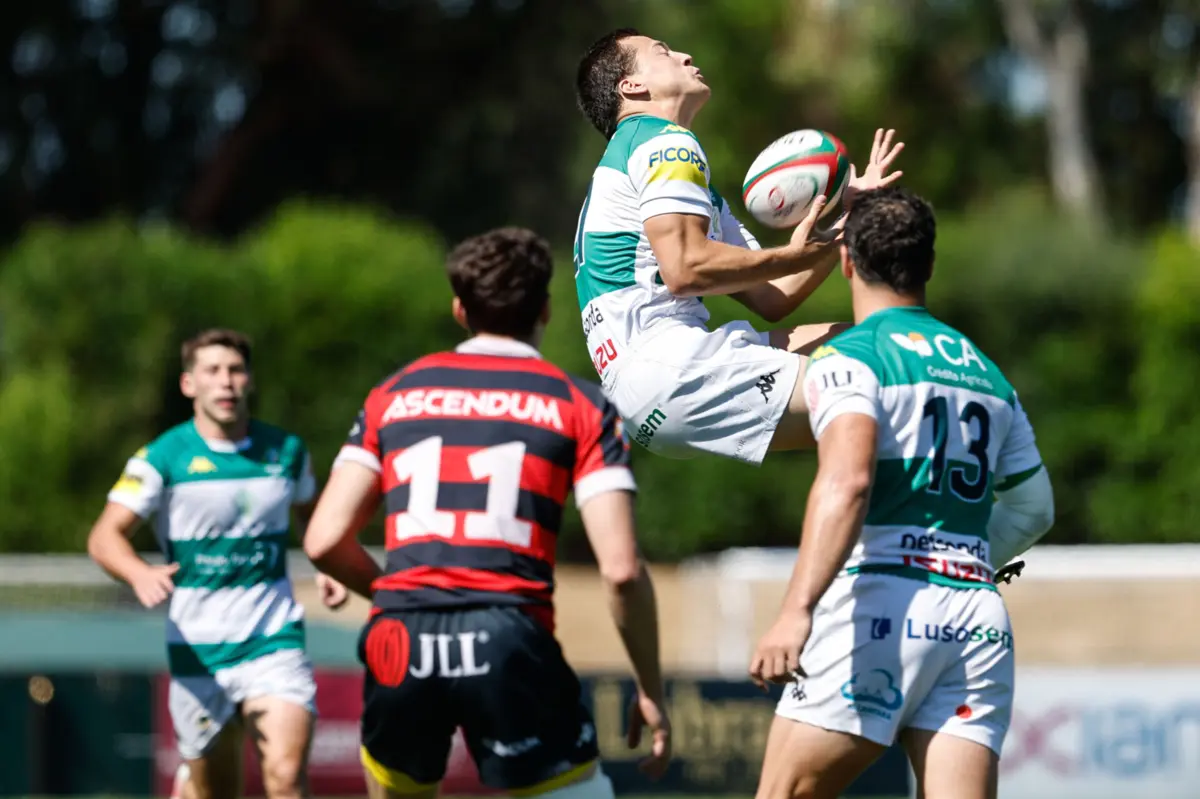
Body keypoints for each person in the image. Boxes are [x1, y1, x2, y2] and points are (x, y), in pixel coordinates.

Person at [302, 227, 670, 799]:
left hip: (401, 636)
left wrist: (400, 597)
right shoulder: (579, 404)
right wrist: (650, 687)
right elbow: (621, 571)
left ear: (459, 309)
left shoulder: (392, 395)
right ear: (545, 308)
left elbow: (324, 541)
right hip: (509, 636)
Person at [747, 187, 1056, 799]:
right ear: (928, 265)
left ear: (846, 261)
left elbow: (848, 481)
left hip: (883, 604)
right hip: (975, 617)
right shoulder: (986, 371)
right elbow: (1034, 507)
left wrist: (796, 610)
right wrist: (960, 563)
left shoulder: (852, 356)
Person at [573, 28, 903, 463]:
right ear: (631, 86)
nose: (684, 55)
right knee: (902, 393)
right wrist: (792, 254)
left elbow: (774, 295)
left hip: (649, 387)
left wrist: (849, 217)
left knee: (882, 348)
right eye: (663, 52)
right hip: (673, 368)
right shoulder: (664, 142)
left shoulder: (652, 163)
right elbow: (685, 269)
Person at [87, 328, 349, 799]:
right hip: (198, 648)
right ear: (189, 384)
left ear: (250, 380)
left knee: (286, 777)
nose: (226, 381)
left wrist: (330, 565)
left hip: (273, 639)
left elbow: (314, 520)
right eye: (212, 370)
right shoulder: (162, 457)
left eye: (236, 370)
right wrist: (138, 572)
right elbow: (104, 537)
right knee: (216, 791)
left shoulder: (287, 451)